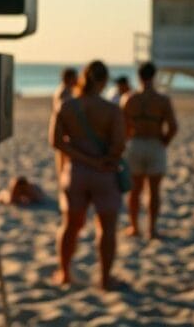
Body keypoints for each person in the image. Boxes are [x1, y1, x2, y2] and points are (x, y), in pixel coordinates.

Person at [48, 60, 125, 290]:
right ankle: (105, 279)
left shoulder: (67, 106)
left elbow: (55, 141)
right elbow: (118, 145)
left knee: (70, 225)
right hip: (104, 173)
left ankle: (64, 273)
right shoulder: (112, 110)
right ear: (104, 81)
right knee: (107, 228)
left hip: (76, 172)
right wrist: (101, 160)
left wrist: (82, 158)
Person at [122, 62, 177, 239]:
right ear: (154, 76)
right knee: (154, 191)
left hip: (135, 143)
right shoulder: (162, 100)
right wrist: (164, 142)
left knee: (135, 190)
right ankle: (152, 229)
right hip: (155, 143)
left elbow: (122, 126)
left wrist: (127, 140)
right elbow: (173, 126)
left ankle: (134, 227)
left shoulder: (129, 99)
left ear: (139, 76)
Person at [52, 67, 79, 176]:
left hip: (62, 131)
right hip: (64, 133)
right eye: (75, 77)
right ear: (70, 78)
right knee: (64, 166)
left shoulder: (62, 90)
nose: (77, 80)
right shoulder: (65, 92)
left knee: (62, 165)